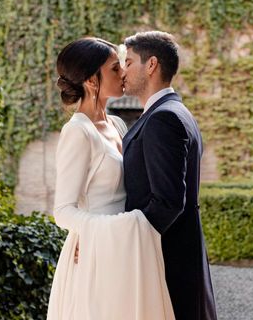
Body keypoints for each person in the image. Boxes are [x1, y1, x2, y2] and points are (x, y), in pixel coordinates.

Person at [46, 37, 174, 320]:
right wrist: (98, 232)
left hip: (126, 250)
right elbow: (63, 211)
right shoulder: (78, 132)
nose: (124, 73)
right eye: (115, 68)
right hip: (96, 256)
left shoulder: (117, 124)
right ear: (92, 80)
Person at [122, 31, 218, 320]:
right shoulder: (177, 111)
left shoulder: (163, 118)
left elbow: (168, 202)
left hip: (166, 259)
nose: (122, 71)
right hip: (180, 254)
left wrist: (123, 241)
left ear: (150, 65)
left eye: (127, 62)